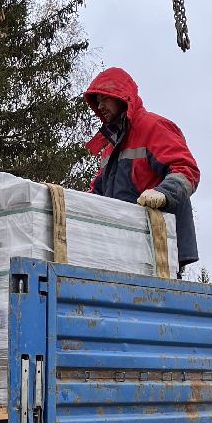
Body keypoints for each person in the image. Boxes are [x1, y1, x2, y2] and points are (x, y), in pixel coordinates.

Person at [83, 67, 200, 272]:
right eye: (97, 101)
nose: (100, 106)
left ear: (122, 97)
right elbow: (97, 193)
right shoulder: (111, 146)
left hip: (159, 250)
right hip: (123, 250)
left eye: (105, 98)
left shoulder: (153, 127)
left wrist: (163, 193)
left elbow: (186, 169)